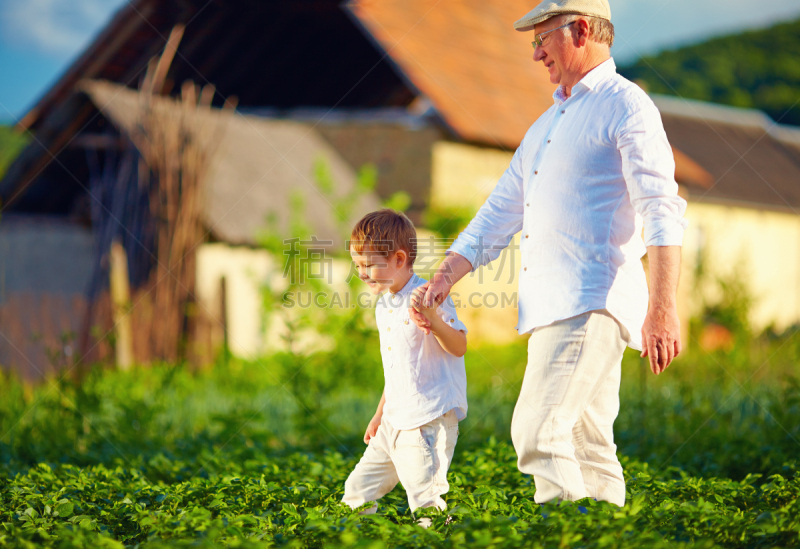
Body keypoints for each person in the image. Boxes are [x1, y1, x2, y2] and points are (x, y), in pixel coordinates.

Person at [411, 0, 687, 508]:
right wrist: (446, 274)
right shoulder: (545, 126)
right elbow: (498, 214)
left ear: (581, 30)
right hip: (551, 309)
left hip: (590, 300)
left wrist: (663, 308)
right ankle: (609, 535)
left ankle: (563, 537)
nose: (536, 54)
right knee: (587, 447)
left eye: (543, 39)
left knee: (538, 431)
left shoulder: (626, 106)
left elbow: (662, 209)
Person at [341, 209, 468, 525]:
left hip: (426, 419)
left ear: (399, 259)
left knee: (426, 502)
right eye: (357, 266)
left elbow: (459, 346)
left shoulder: (428, 295)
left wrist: (434, 319)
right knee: (356, 492)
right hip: (393, 421)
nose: (362, 273)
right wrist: (380, 413)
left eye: (368, 265)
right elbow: (399, 366)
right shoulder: (384, 303)